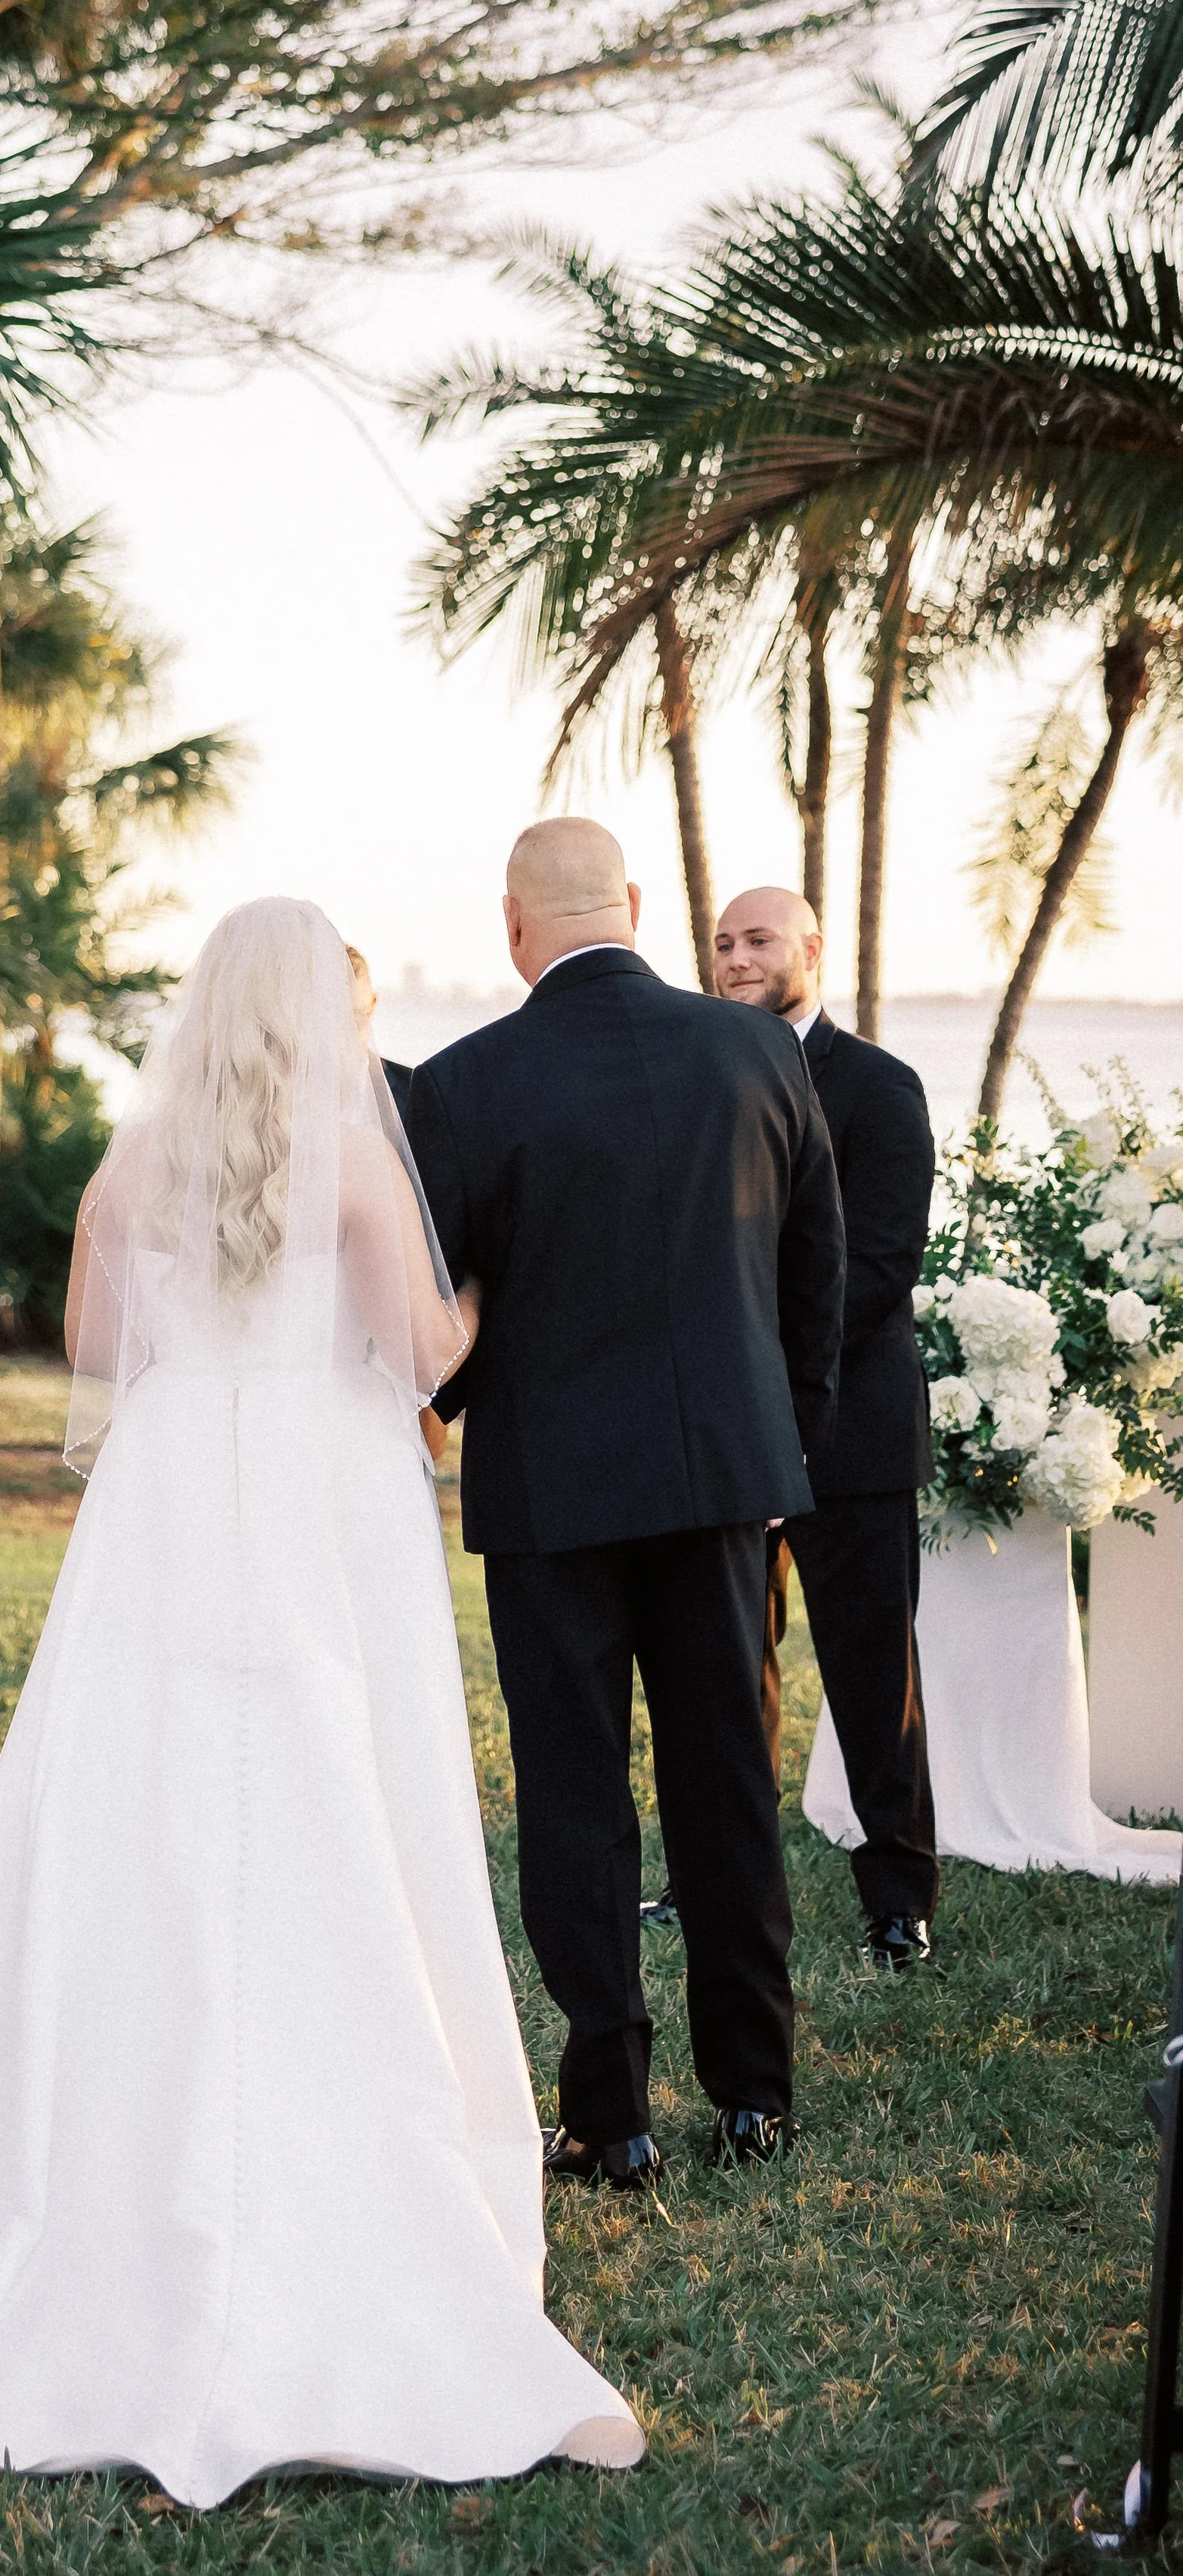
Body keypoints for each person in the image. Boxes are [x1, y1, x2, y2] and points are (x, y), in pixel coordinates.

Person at [0, 898, 644, 2505]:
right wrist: (490, 1299)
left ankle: (102, 2137)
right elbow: (426, 1359)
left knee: (143, 1797)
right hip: (324, 1503)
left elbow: (97, 1350)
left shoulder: (139, 1150)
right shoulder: (356, 1156)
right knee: (336, 1803)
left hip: (174, 1489)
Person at [404, 821, 844, 2192]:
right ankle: (755, 2096)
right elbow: (812, 1283)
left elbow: (440, 1320)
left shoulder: (463, 1082)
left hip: (549, 1498)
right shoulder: (759, 1050)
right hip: (725, 1484)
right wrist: (783, 1464)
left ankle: (609, 2115)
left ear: (511, 925)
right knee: (725, 1781)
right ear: (638, 907)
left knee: (576, 1796)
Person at [711, 887, 940, 1970]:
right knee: (723, 1669)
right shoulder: (703, 1079)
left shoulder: (881, 1088)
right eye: (720, 942)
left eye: (757, 939)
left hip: (850, 1430)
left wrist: (768, 1366)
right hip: (724, 1434)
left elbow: (881, 1263)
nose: (735, 956)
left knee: (869, 1671)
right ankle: (717, 1875)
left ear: (812, 949)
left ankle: (899, 1899)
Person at [346, 942, 413, 1123]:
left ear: (373, 1005)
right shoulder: (282, 1092)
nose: (345, 1033)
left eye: (357, 1016)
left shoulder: (413, 1090)